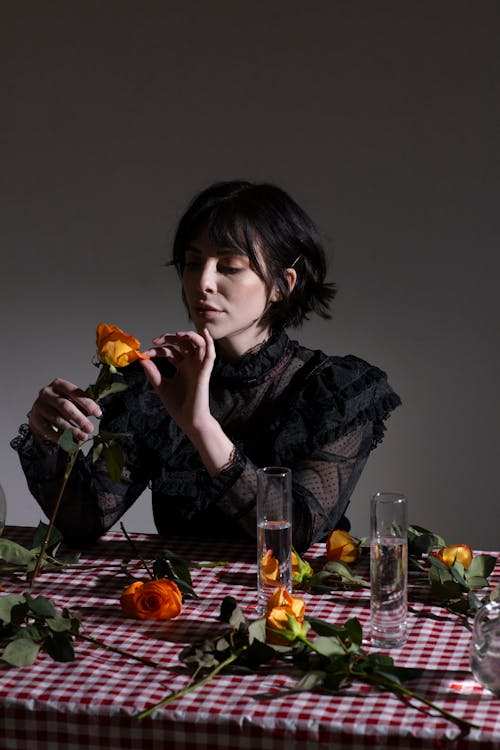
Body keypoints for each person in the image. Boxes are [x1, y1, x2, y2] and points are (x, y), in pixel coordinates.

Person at [11, 180, 401, 551]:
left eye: (229, 266)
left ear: (283, 284)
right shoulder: (155, 384)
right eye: (193, 263)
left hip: (291, 606)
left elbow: (295, 533)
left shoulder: (335, 391)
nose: (203, 282)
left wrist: (200, 428)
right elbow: (84, 523)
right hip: (179, 605)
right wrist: (47, 435)